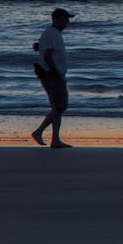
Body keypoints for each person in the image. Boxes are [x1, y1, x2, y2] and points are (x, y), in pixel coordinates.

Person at [31, 8, 74, 148]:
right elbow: (48, 56)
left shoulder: (52, 34)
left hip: (52, 74)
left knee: (58, 107)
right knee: (60, 106)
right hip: (52, 75)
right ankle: (39, 131)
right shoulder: (51, 33)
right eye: (65, 20)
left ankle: (55, 139)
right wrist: (56, 74)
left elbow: (42, 49)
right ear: (56, 20)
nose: (67, 23)